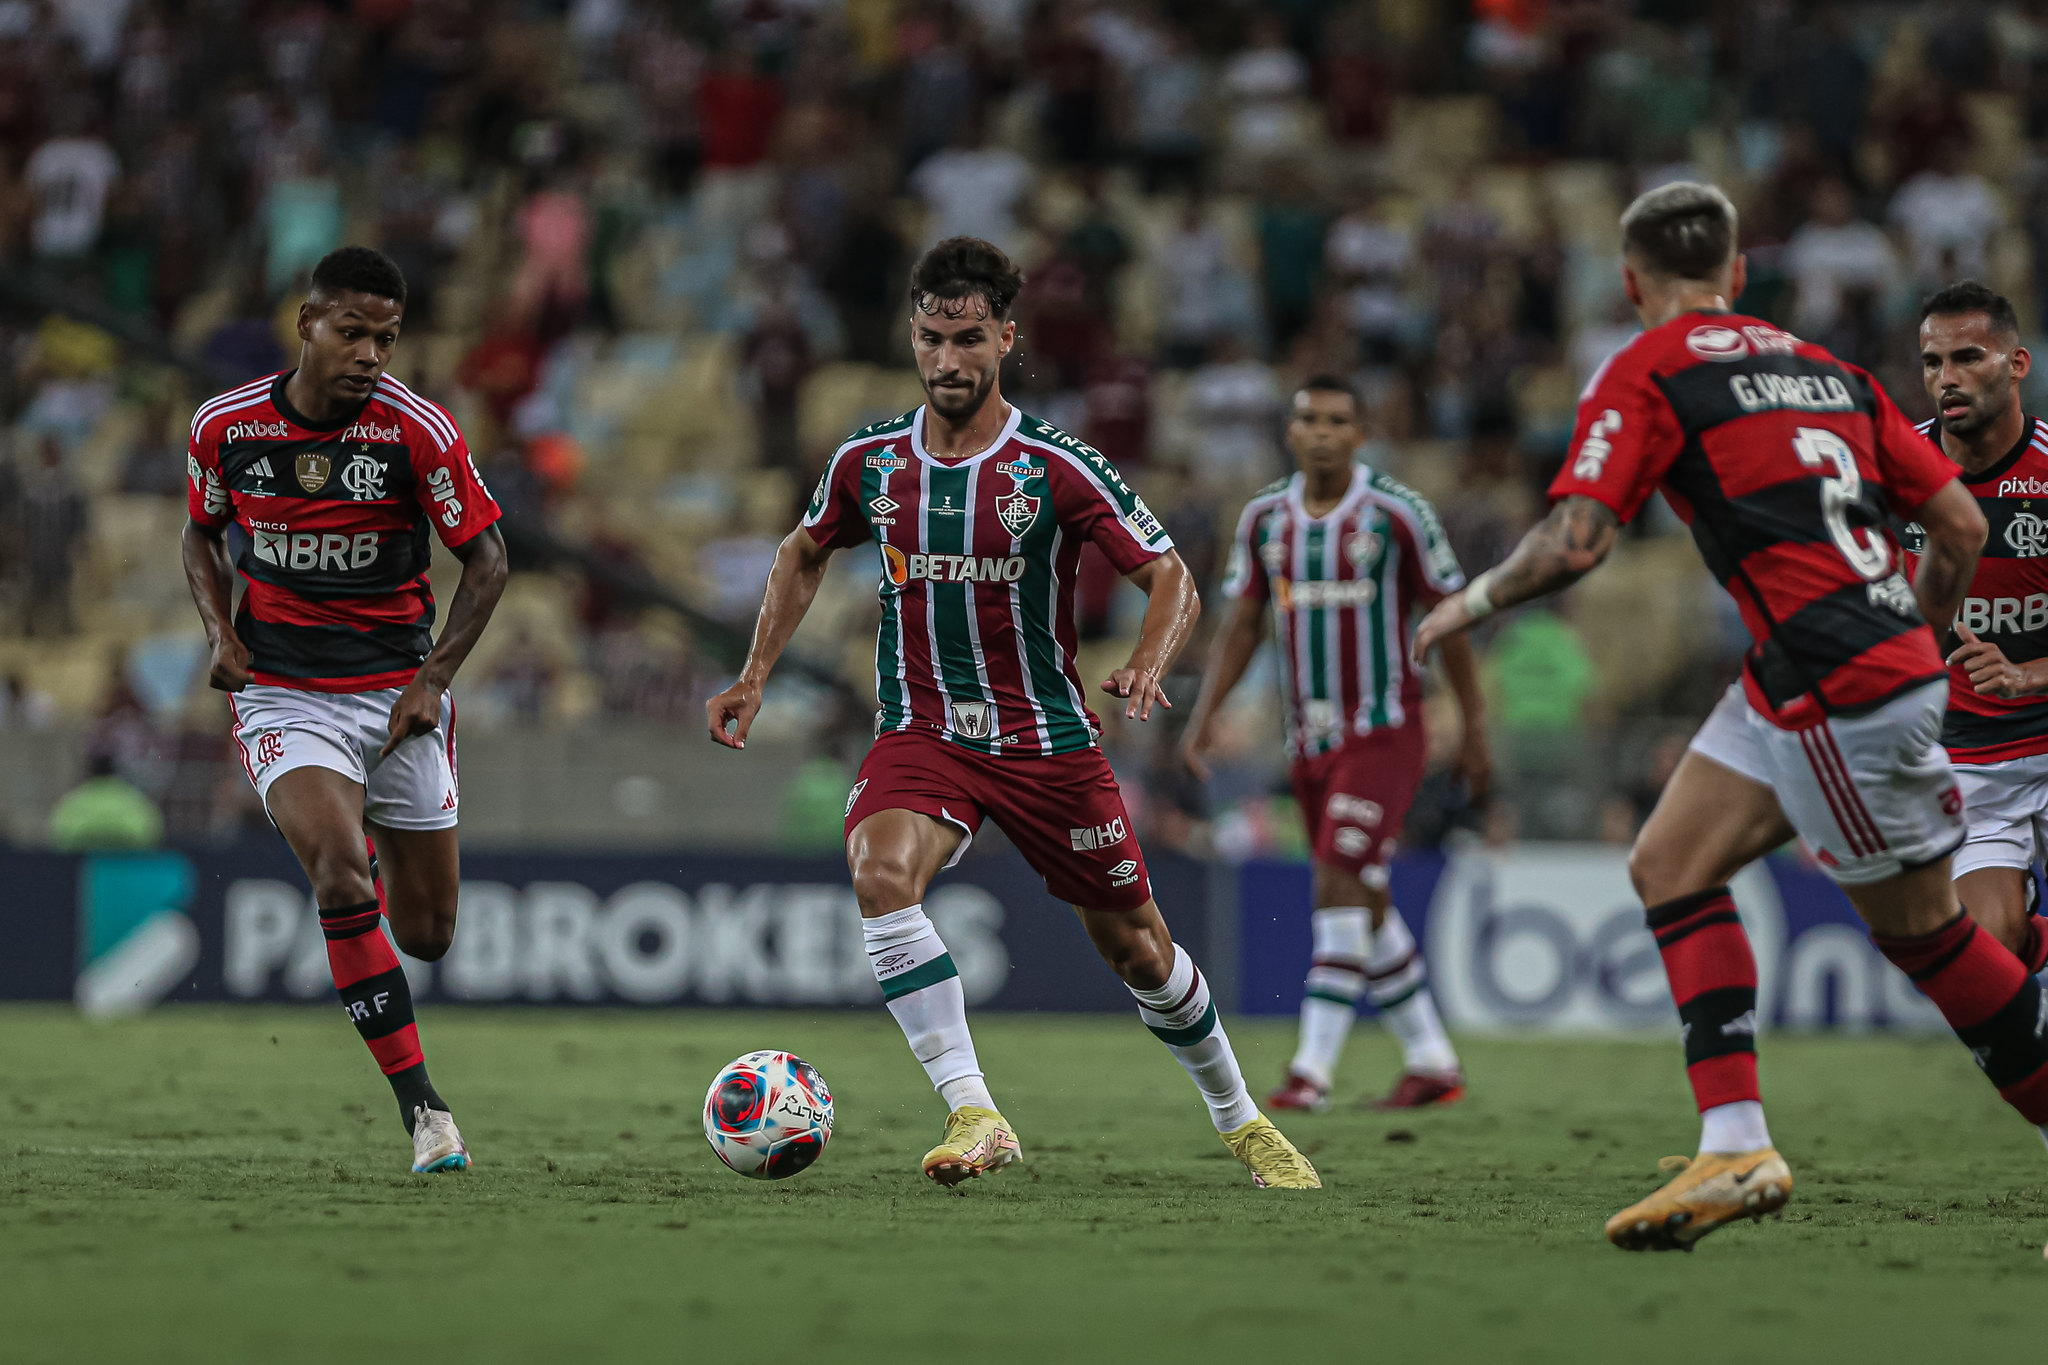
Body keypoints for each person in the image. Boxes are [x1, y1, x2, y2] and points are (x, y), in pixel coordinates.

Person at [1413, 182, 2048, 1255]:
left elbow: (1574, 544)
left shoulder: (1647, 366)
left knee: (1928, 937)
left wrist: (1462, 606)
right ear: (1737, 275)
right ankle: (1735, 1140)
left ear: (1629, 283)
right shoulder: (1827, 370)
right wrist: (1919, 632)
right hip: (1802, 669)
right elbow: (1953, 519)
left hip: (1835, 681)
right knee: (1667, 862)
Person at [706, 237, 1319, 1191]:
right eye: (932, 339)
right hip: (924, 730)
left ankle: (1242, 1120)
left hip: (1046, 741)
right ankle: (974, 1109)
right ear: (911, 336)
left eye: (969, 339)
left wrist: (1149, 662)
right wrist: (754, 673)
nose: (949, 361)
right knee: (879, 874)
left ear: (1006, 339)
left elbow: (1170, 575)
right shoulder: (870, 460)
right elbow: (800, 551)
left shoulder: (1055, 464)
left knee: (1140, 950)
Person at [181, 247, 508, 1175]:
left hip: (396, 695)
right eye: (354, 332)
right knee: (338, 872)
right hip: (284, 690)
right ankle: (426, 1114)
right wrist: (220, 632)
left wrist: (433, 681)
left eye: (388, 337)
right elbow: (200, 532)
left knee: (428, 936)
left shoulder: (417, 432)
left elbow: (488, 563)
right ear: (307, 325)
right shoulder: (225, 426)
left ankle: (359, 847)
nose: (372, 353)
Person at [1181, 376, 1490, 1112]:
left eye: (1338, 420)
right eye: (1309, 419)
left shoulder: (1397, 514)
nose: (1322, 431)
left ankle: (1310, 1072)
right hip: (1308, 740)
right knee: (1367, 892)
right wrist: (1206, 715)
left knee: (1338, 881)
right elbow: (1244, 623)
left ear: (1361, 432)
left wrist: (1474, 726)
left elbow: (1450, 616)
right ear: (1290, 432)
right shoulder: (1263, 519)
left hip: (1385, 729)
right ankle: (1433, 1060)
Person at [1907, 282, 2048, 970]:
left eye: (1967, 357)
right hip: (1966, 761)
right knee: (1992, 948)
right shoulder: (1892, 471)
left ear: (2017, 364)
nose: (1947, 379)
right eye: (1933, 363)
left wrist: (2028, 674)